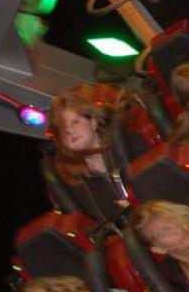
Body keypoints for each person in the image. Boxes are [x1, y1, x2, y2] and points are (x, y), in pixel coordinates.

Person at [47, 85, 132, 223]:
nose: (69, 131)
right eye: (62, 128)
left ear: (93, 122)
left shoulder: (128, 141)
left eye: (75, 122)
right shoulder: (68, 180)